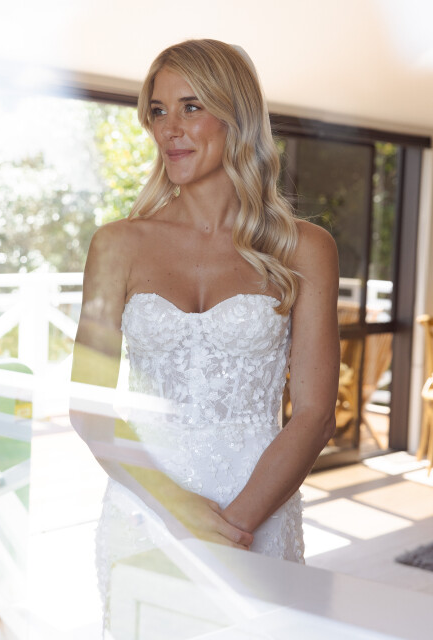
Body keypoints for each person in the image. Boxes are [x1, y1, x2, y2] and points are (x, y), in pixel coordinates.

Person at [70, 38, 339, 633]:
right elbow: (89, 407)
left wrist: (232, 528)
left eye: (191, 107)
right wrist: (177, 510)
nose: (170, 128)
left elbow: (315, 413)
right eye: (158, 111)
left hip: (258, 508)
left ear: (236, 116)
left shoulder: (305, 248)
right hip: (143, 507)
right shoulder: (116, 245)